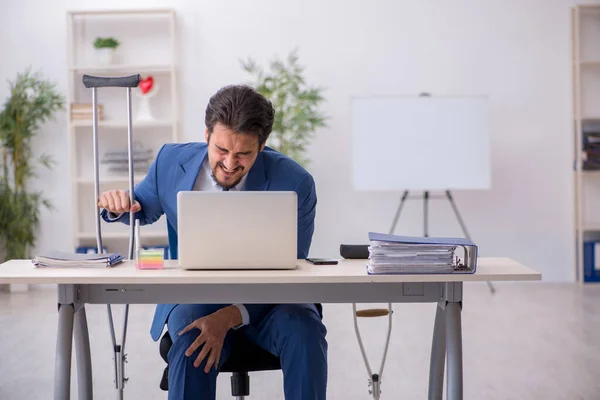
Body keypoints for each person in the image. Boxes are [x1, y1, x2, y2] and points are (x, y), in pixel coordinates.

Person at [98, 84, 327, 400]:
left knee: (305, 329)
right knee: (193, 331)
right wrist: (116, 205)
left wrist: (230, 316)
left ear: (262, 146)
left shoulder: (295, 182)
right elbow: (140, 207)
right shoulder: (170, 161)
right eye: (222, 150)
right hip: (198, 297)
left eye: (244, 153)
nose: (231, 164)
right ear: (206, 134)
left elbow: (294, 267)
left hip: (272, 303)